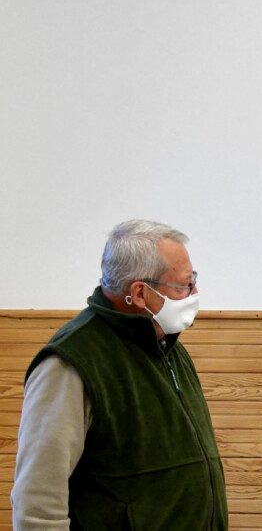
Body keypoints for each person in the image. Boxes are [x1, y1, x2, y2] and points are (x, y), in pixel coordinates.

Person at [12, 219, 228, 530]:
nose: (195, 293)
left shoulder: (166, 345)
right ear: (140, 293)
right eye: (185, 285)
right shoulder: (71, 362)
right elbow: (38, 504)